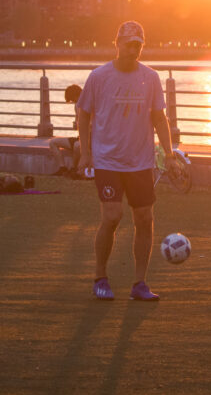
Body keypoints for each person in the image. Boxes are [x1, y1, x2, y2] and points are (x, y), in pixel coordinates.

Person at [75, 20, 184, 301]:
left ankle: (140, 283)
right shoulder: (99, 77)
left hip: (140, 162)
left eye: (138, 44)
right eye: (129, 44)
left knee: (144, 218)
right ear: (117, 43)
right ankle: (100, 277)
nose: (133, 49)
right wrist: (85, 153)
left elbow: (160, 117)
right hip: (107, 160)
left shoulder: (151, 77)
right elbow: (84, 112)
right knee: (112, 217)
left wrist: (169, 154)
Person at [48, 84, 83, 177]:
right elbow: (77, 125)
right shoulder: (76, 106)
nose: (73, 101)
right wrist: (75, 125)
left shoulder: (87, 105)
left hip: (90, 138)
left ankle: (73, 169)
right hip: (80, 137)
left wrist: (80, 124)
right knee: (53, 143)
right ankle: (62, 167)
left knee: (77, 146)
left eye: (72, 99)